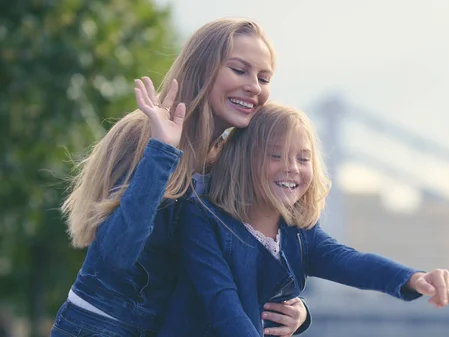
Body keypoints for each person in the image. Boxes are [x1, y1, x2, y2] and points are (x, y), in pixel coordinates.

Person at [51, 18, 310, 337]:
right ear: (204, 68)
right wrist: (161, 152)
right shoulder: (143, 134)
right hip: (101, 326)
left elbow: (232, 268)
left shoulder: (228, 161)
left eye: (264, 77)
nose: (254, 86)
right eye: (239, 70)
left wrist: (295, 310)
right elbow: (116, 255)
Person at [159, 102, 449, 336]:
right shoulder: (204, 219)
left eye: (303, 158)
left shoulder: (299, 234)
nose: (291, 168)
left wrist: (414, 279)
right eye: (275, 156)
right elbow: (223, 304)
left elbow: (351, 262)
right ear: (243, 160)